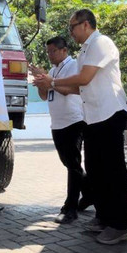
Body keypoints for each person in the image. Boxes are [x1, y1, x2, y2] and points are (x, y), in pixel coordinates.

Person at [36, 9, 127, 245]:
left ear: (86, 25)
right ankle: (104, 218)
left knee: (113, 172)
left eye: (73, 27)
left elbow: (85, 78)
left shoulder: (101, 43)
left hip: (109, 114)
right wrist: (49, 83)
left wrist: (53, 81)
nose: (71, 32)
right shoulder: (85, 51)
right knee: (96, 172)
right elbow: (79, 88)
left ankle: (119, 226)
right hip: (93, 118)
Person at [31, 36, 90, 224]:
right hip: (57, 123)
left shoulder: (73, 66)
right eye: (48, 52)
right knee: (70, 163)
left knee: (73, 165)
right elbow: (44, 95)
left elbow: (69, 89)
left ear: (64, 50)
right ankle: (90, 194)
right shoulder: (52, 70)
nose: (49, 55)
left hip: (73, 121)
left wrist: (50, 81)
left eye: (53, 51)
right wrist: (41, 82)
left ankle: (70, 208)